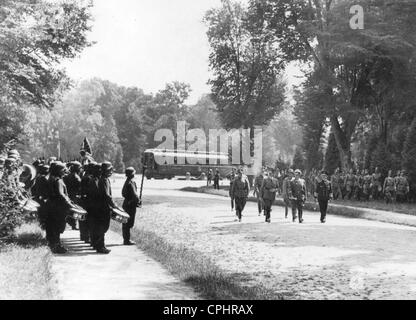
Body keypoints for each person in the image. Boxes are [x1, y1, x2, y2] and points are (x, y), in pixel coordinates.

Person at [45, 162, 72, 254]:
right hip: (57, 207)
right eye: (62, 169)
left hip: (51, 206)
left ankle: (54, 245)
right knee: (57, 227)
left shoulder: (51, 178)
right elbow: (61, 194)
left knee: (52, 227)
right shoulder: (58, 180)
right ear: (57, 170)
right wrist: (69, 203)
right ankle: (56, 246)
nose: (64, 171)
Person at [93, 162, 116, 254]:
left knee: (100, 227)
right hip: (103, 207)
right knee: (103, 227)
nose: (111, 172)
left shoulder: (102, 179)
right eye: (110, 170)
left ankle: (99, 246)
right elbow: (107, 195)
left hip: (100, 206)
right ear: (106, 171)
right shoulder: (104, 180)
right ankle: (101, 247)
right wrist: (114, 205)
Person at [122, 167, 139, 245]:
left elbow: (123, 193)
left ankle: (126, 239)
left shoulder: (127, 182)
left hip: (126, 204)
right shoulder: (131, 183)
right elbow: (135, 195)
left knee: (126, 223)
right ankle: (126, 240)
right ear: (132, 174)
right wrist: (138, 201)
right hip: (130, 205)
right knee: (128, 224)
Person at [64, 162, 82, 231]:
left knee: (70, 210)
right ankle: (73, 225)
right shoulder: (76, 177)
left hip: (69, 195)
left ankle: (71, 223)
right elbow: (79, 187)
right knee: (75, 210)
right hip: (74, 195)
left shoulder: (68, 176)